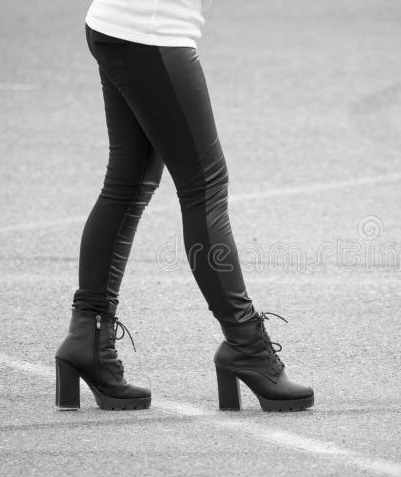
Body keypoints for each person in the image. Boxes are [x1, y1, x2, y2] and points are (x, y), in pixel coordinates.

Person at [54, 0, 314, 413]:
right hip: (151, 32)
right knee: (204, 187)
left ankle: (88, 336)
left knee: (128, 182)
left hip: (119, 22)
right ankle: (246, 345)